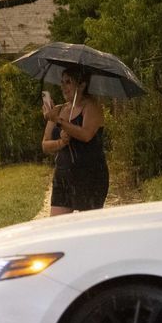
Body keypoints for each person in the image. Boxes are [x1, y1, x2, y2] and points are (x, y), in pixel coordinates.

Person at [41, 66, 108, 215]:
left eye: (68, 82)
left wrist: (59, 121)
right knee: (57, 227)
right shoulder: (57, 110)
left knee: (88, 229)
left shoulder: (92, 107)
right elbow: (45, 145)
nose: (63, 86)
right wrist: (60, 142)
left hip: (90, 176)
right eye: (62, 82)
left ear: (82, 85)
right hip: (63, 177)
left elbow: (86, 135)